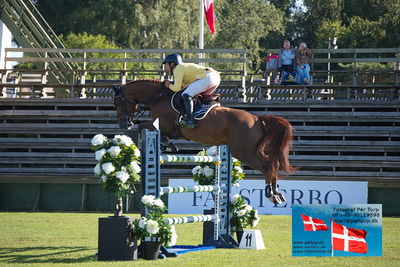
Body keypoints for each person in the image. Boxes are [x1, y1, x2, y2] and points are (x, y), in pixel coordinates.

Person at [162, 54, 221, 129]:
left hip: (208, 77)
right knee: (198, 96)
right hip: (215, 77)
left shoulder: (178, 68)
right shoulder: (182, 68)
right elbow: (183, 86)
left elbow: (177, 89)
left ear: (172, 64)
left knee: (186, 94)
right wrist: (171, 83)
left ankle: (190, 120)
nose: (164, 67)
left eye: (166, 64)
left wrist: (169, 85)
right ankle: (201, 115)